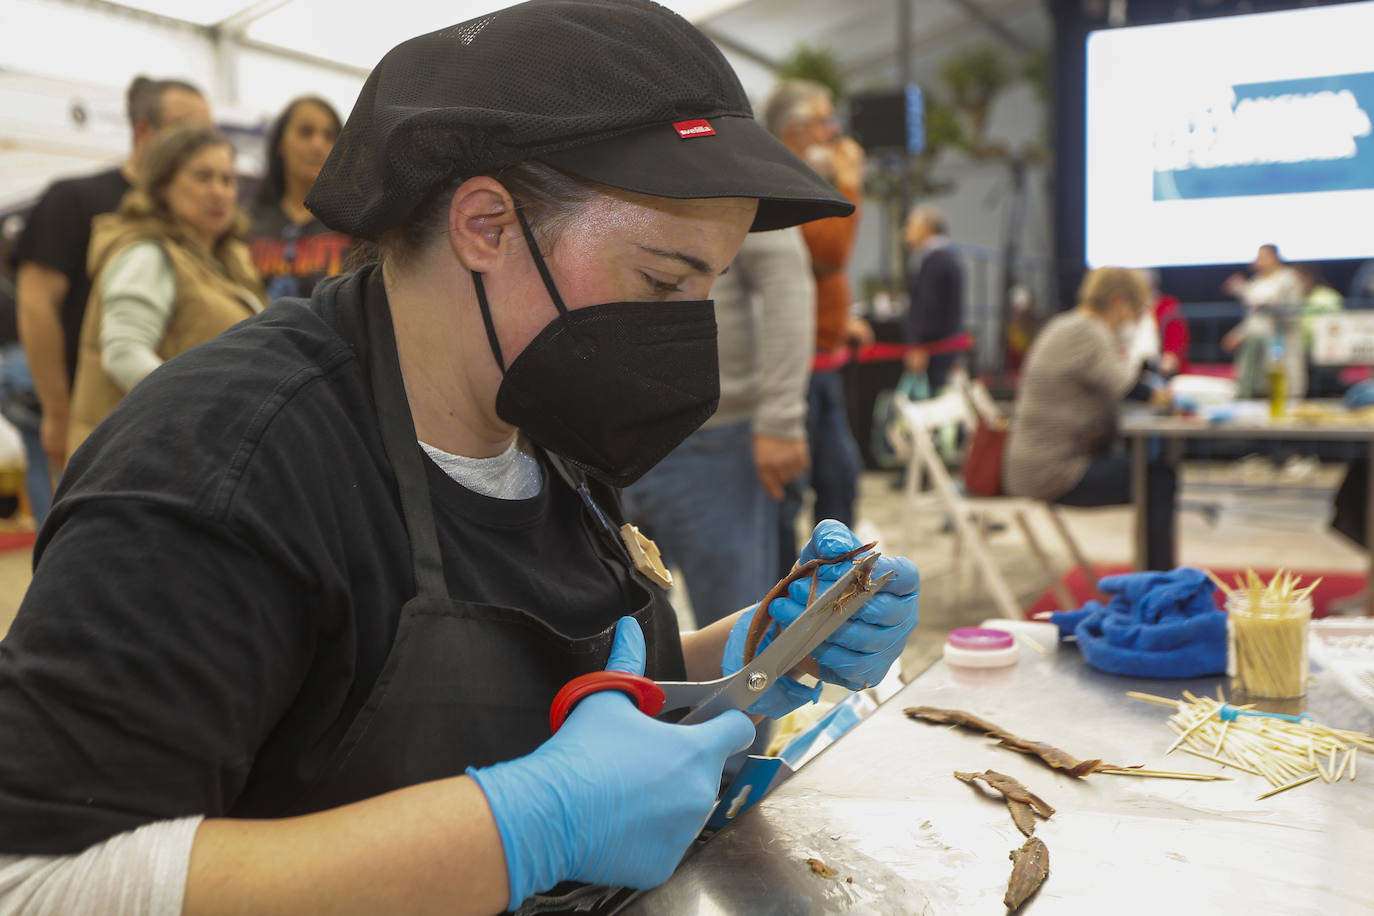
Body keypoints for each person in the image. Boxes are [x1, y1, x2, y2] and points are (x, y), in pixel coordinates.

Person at [0, 4, 922, 914]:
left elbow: (550, 688)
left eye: (707, 288)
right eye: (659, 281)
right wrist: (520, 830)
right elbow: (34, 882)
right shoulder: (224, 463)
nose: (684, 329)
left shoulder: (547, 415)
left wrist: (750, 649)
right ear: (485, 225)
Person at [11, 76, 210, 489]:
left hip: (160, 423)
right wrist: (57, 408)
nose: (200, 141)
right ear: (143, 130)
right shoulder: (74, 198)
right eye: (186, 127)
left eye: (207, 130)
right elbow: (35, 303)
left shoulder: (192, 213)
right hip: (90, 415)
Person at [622, 227, 814, 628]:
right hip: (603, 431)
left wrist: (781, 418)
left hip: (714, 437)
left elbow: (785, 282)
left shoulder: (743, 169)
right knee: (619, 628)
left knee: (735, 632)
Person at [66, 125, 265, 455]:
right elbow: (124, 353)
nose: (219, 191)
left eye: (227, 179)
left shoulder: (226, 261)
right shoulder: (148, 254)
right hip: (144, 459)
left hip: (185, 452)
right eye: (202, 177)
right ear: (162, 186)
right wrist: (203, 411)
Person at [763, 78, 871, 575]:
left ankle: (832, 590)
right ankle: (787, 606)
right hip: (794, 370)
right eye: (825, 122)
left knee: (839, 481)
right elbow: (830, 252)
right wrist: (850, 183)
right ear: (795, 131)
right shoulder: (780, 180)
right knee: (791, 495)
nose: (835, 133)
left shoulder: (798, 178)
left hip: (820, 362)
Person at [1003, 267, 1177, 571]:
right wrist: (1168, 397)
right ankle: (1158, 585)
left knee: (1151, 472)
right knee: (1158, 479)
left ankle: (1152, 577)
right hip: (1051, 472)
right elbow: (1127, 387)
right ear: (1119, 302)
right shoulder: (1088, 331)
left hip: (1035, 464)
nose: (1134, 320)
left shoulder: (1067, 324)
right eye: (1136, 311)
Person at [247, 96, 353, 301]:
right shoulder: (248, 222)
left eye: (330, 136)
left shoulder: (354, 225)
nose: (318, 144)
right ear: (280, 144)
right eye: (306, 132)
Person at [1221, 243, 1304, 398]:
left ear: (1275, 257)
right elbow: (1253, 318)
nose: (1258, 261)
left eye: (1263, 257)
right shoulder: (1256, 281)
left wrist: (1248, 294)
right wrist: (1238, 335)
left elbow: (1287, 311)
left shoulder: (1289, 279)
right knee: (1254, 389)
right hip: (1255, 347)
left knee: (1281, 390)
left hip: (1280, 343)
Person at [902, 205, 964, 393]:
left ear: (926, 228)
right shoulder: (948, 258)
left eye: (911, 225)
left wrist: (918, 346)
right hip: (944, 348)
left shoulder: (934, 261)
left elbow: (929, 309)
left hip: (934, 351)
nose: (905, 231)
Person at [1144, 269, 1189, 378]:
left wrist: (1170, 360)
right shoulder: (1130, 309)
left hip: (1162, 370)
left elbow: (1177, 340)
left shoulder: (1168, 305)